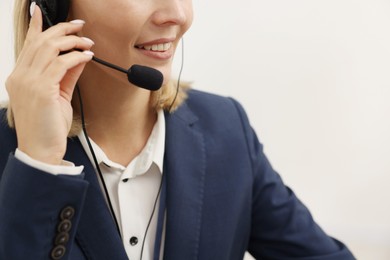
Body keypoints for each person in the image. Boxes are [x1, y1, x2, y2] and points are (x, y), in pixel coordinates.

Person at [0, 0, 355, 259]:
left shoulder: (226, 129)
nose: (178, 15)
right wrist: (39, 165)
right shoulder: (15, 158)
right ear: (51, 8)